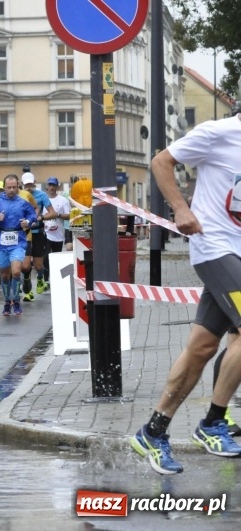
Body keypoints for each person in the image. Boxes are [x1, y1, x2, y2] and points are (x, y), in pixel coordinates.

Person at [130, 110, 241, 474]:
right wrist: (180, 208)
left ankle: (153, 430)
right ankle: (212, 423)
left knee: (203, 347)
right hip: (214, 246)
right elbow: (161, 161)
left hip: (237, 254)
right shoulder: (219, 132)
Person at [0, 175, 37, 316]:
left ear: (18, 187)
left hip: (18, 240)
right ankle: (7, 302)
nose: (11, 190)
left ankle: (16, 300)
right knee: (5, 275)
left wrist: (27, 222)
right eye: (9, 187)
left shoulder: (23, 202)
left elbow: (33, 216)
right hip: (1, 240)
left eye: (14, 187)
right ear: (4, 188)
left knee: (16, 271)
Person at [20, 172, 57, 298]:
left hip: (38, 233)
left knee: (38, 265)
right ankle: (27, 288)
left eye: (31, 184)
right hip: (24, 234)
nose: (29, 187)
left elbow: (53, 213)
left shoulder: (41, 195)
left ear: (34, 182)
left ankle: (40, 277)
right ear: (22, 184)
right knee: (25, 265)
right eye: (26, 184)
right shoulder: (19, 195)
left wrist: (41, 217)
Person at [42, 177, 70, 285]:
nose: (52, 187)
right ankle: (45, 280)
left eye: (54, 185)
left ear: (57, 187)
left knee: (55, 257)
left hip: (58, 235)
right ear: (47, 186)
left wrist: (57, 215)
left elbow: (68, 215)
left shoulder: (63, 200)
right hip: (46, 233)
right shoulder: (43, 199)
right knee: (46, 257)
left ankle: (54, 279)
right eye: (50, 185)